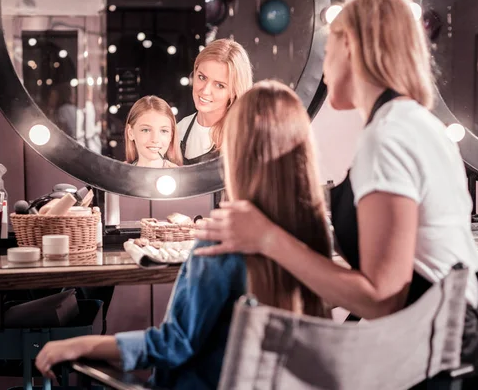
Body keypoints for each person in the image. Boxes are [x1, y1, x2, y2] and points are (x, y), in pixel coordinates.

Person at [194, 0, 478, 389]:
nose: (326, 67)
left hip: (454, 367)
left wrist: (267, 238)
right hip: (446, 355)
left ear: (350, 47)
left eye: (329, 47)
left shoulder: (390, 137)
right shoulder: (410, 123)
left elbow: (381, 297)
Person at [34, 80, 332, 390]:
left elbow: (174, 344)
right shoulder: (314, 236)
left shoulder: (222, 240)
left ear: (235, 150)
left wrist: (81, 346)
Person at [178, 38, 253, 165]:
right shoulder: (180, 129)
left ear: (234, 91)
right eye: (202, 77)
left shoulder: (244, 137)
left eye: (219, 85)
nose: (205, 91)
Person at [125, 95, 183, 168]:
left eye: (164, 131)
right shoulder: (119, 176)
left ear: (171, 135)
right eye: (146, 130)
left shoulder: (181, 177)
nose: (155, 139)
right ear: (130, 133)